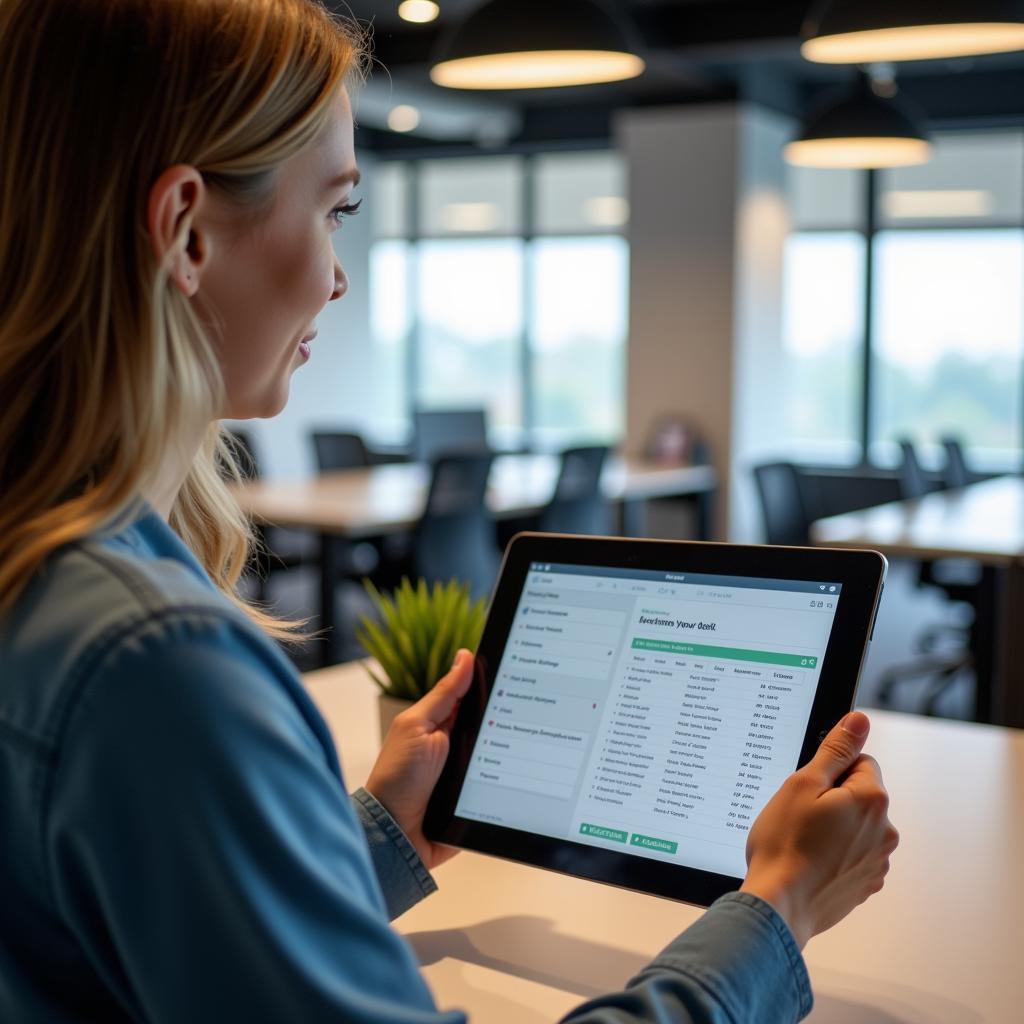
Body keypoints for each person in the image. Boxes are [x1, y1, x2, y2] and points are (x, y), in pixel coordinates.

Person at [0, 1, 899, 1021]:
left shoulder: (41, 581)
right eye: (335, 209)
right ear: (187, 233)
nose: (339, 278)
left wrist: (375, 833)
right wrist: (778, 906)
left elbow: (141, 930)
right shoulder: (152, 660)